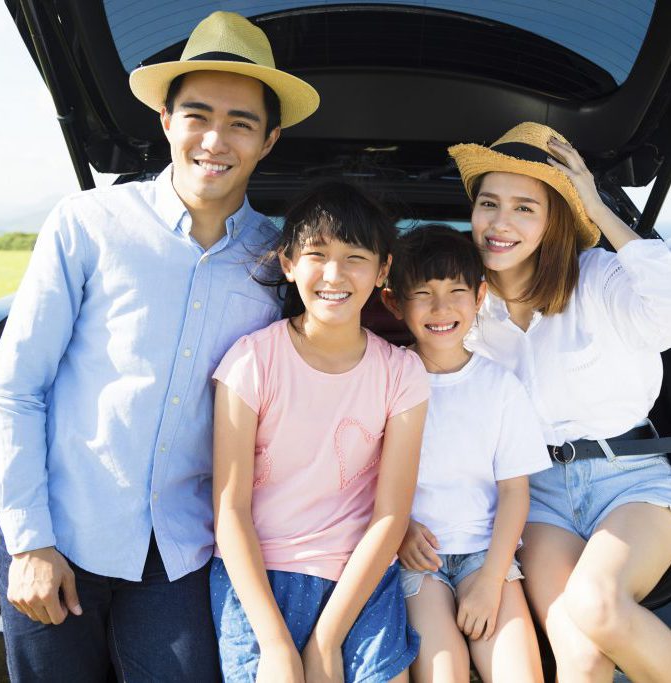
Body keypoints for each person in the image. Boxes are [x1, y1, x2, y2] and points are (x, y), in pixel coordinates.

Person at [0, 11, 319, 682]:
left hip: (180, 557)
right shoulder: (88, 223)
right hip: (59, 540)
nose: (214, 139)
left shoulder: (279, 261)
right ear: (166, 120)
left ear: (269, 139)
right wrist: (28, 542)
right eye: (197, 115)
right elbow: (18, 386)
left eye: (241, 122)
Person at [445, 122, 671, 682]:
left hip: (631, 479)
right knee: (581, 654)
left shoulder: (597, 278)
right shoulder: (465, 311)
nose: (501, 223)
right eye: (489, 204)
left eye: (525, 208)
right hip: (538, 494)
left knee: (598, 604)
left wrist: (596, 203)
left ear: (554, 223)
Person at [211, 181, 429, 683]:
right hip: (256, 577)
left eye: (356, 256)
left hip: (359, 577)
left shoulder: (401, 373)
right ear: (288, 263)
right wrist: (276, 645)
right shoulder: (252, 361)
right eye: (317, 254)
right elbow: (230, 511)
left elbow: (391, 514)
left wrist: (328, 639)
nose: (335, 274)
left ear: (383, 270)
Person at [381, 225, 550, 682]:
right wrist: (399, 528)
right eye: (423, 293)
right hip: (418, 558)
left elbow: (514, 490)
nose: (441, 308)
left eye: (457, 290)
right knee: (444, 672)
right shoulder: (385, 376)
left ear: (479, 298)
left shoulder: (500, 386)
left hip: (486, 554)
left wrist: (493, 579)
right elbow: (360, 473)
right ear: (394, 303)